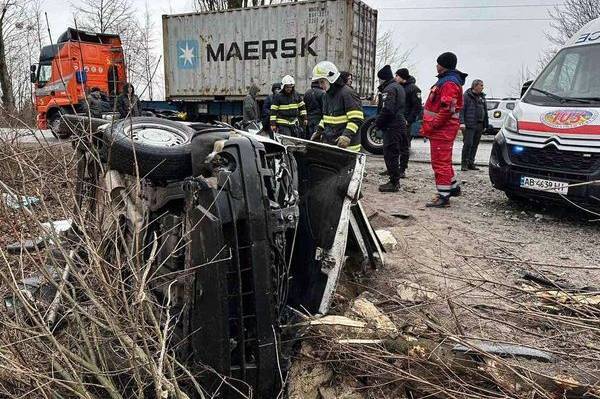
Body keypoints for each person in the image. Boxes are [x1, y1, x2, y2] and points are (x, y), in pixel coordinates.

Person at [421, 52, 468, 208]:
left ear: (443, 65)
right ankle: (453, 188)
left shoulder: (448, 83)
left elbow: (447, 108)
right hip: (442, 129)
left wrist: (434, 124)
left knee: (440, 163)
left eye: (438, 63)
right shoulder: (447, 81)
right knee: (444, 162)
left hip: (442, 129)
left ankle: (444, 197)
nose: (436, 65)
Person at [310, 61, 364, 151]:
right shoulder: (326, 96)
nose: (320, 85)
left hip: (348, 147)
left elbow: (356, 119)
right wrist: (318, 131)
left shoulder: (347, 93)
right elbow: (325, 118)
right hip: (332, 145)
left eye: (322, 82)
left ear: (331, 78)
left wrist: (346, 135)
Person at [375, 65, 407, 192]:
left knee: (390, 154)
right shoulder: (399, 87)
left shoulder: (389, 89)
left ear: (383, 79)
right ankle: (395, 180)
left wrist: (378, 123)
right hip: (399, 124)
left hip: (392, 126)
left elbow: (387, 109)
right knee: (395, 152)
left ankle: (394, 183)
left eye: (379, 80)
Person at [395, 68, 423, 176]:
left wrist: (409, 120)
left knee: (404, 146)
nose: (395, 78)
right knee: (394, 146)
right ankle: (393, 167)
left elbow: (417, 107)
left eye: (397, 76)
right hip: (397, 121)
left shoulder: (414, 89)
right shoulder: (399, 87)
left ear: (402, 77)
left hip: (405, 122)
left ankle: (402, 169)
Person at [460, 79, 489, 171]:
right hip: (469, 124)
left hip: (480, 124)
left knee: (475, 145)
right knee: (468, 144)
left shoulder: (482, 97)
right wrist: (462, 122)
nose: (482, 87)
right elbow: (461, 110)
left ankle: (471, 163)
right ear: (475, 86)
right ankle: (464, 163)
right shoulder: (466, 96)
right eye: (481, 85)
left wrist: (485, 125)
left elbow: (485, 111)